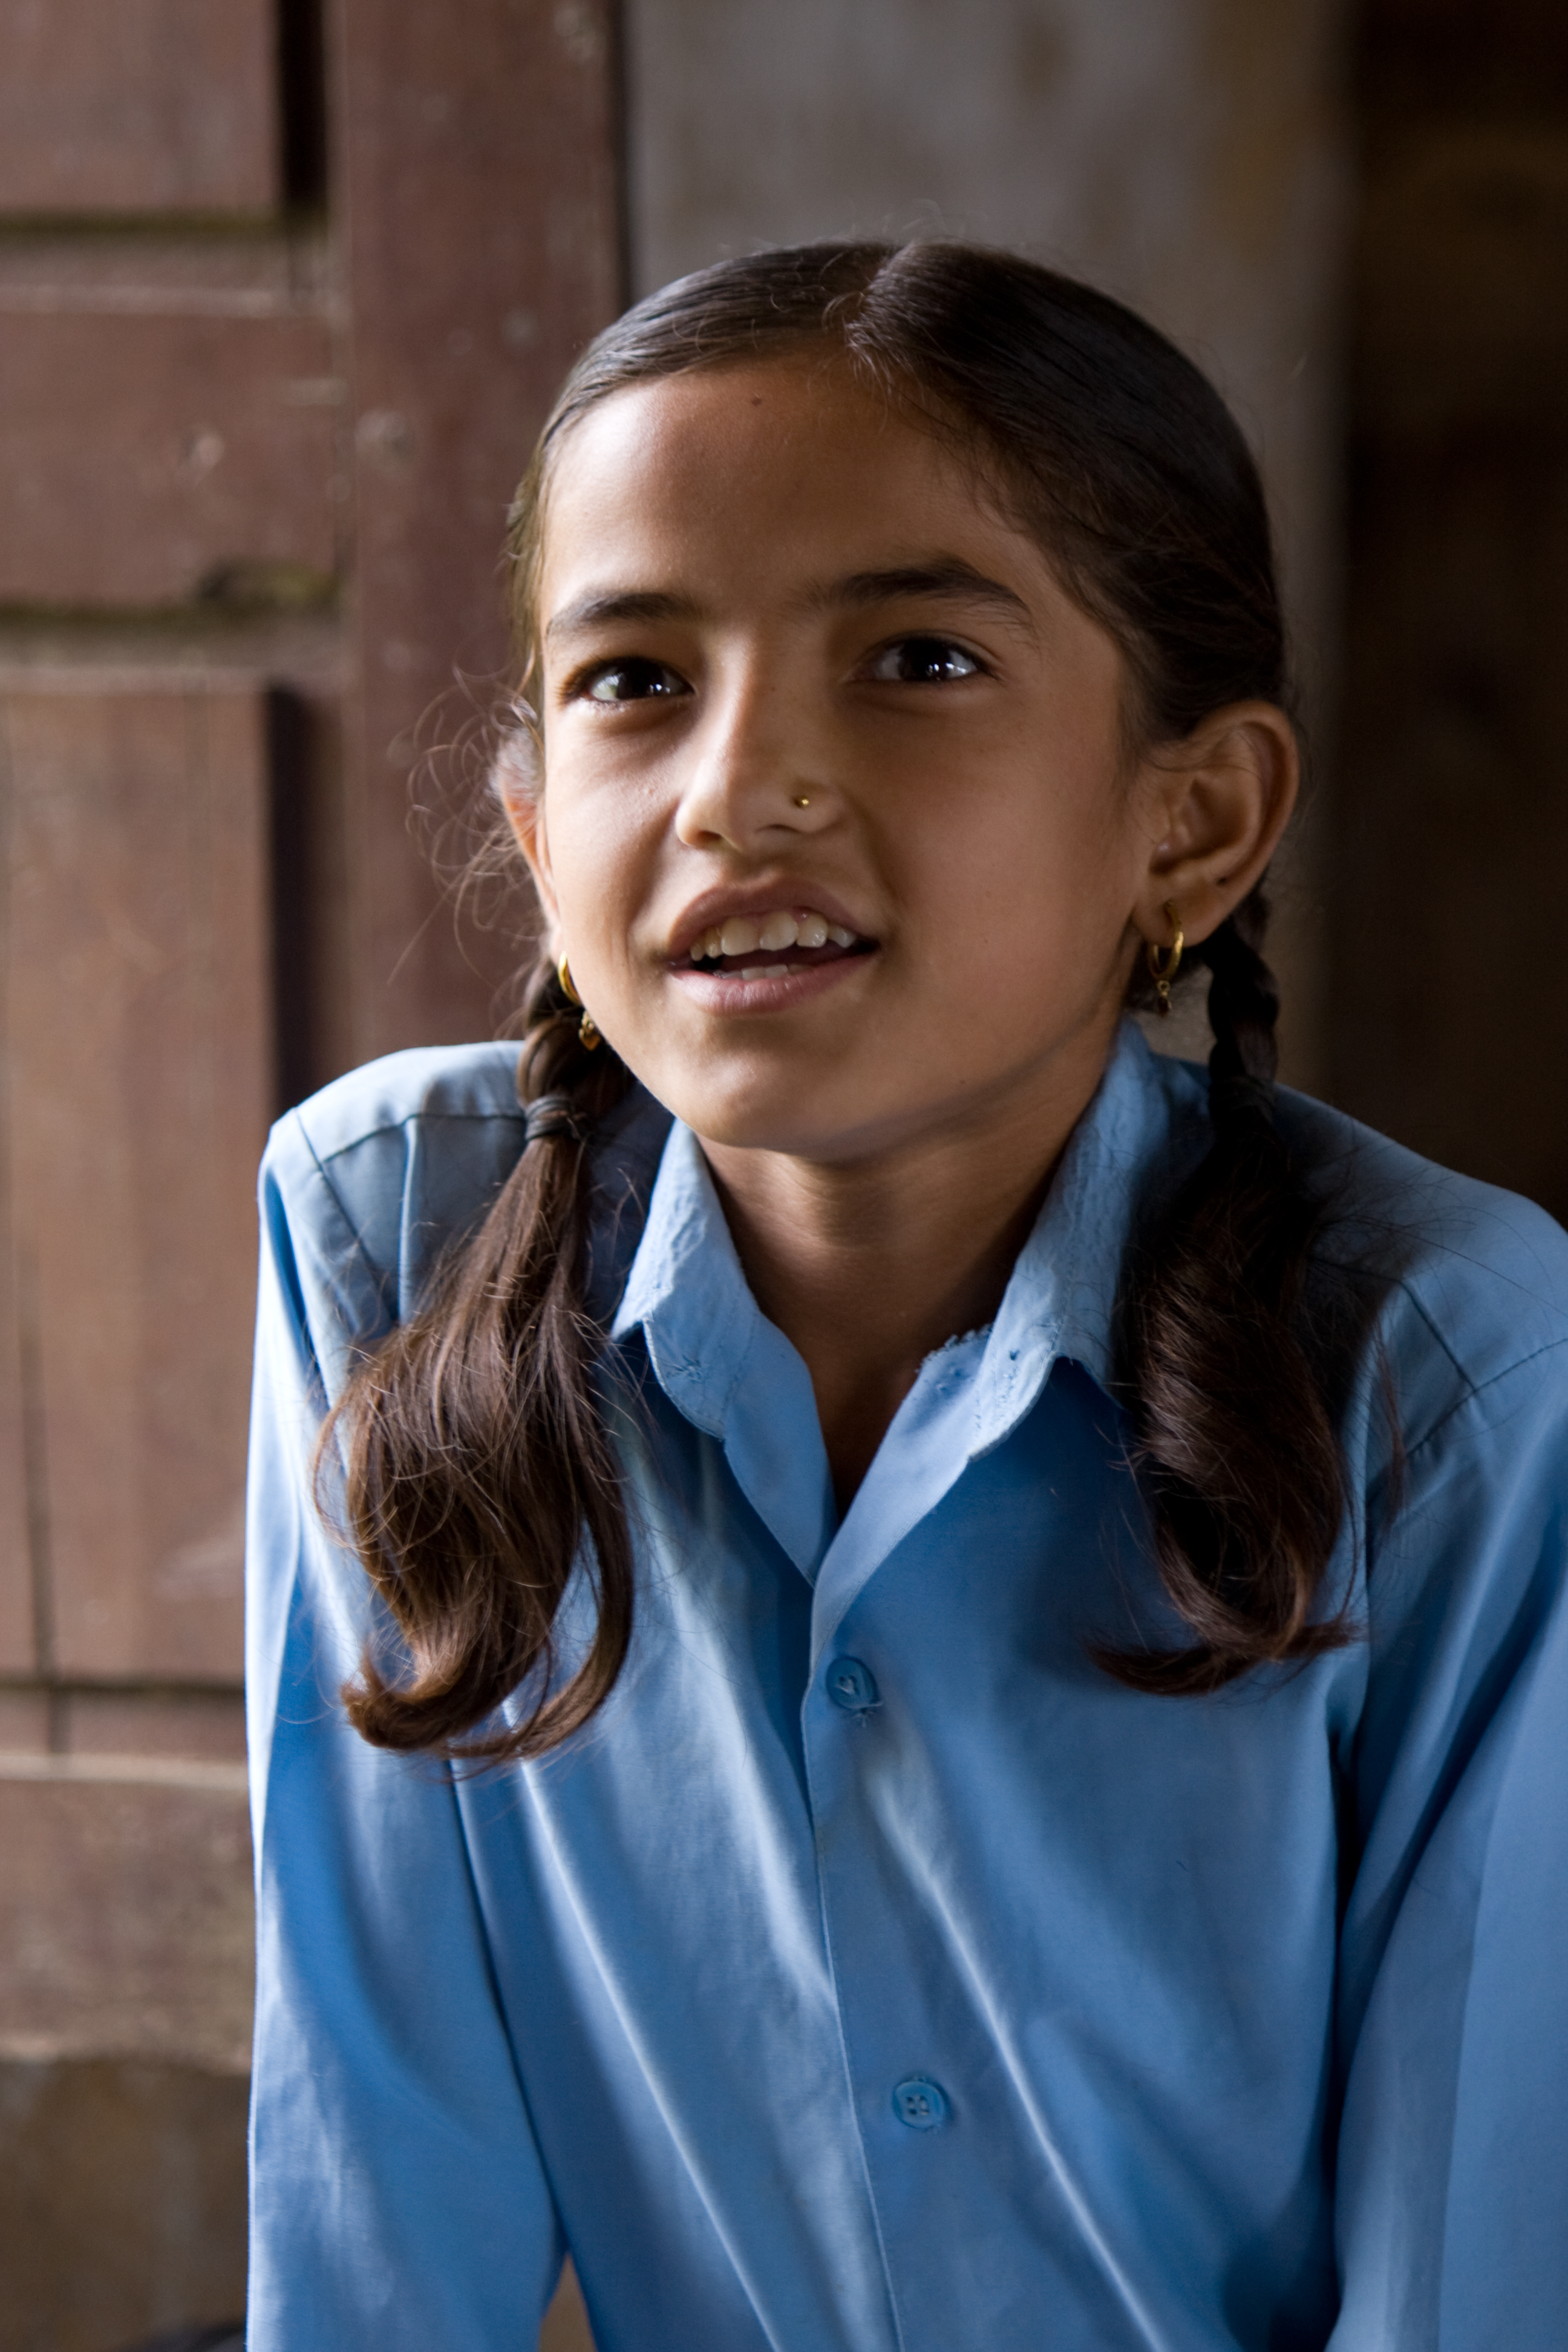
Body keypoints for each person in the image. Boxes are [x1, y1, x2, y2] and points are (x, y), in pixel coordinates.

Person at [244, 243, 1568, 2351]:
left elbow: (1468, 2291)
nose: (741, 787)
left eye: (921, 661)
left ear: (1193, 821)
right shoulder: (384, 1240)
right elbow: (380, 2195)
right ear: (535, 827)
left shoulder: (1448, 1365)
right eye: (633, 681)